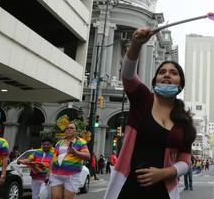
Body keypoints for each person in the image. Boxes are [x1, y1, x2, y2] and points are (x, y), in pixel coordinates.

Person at [104, 27, 196, 199]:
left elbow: (185, 161)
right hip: (128, 187)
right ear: (154, 82)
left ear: (181, 84)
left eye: (173, 73)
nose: (167, 75)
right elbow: (128, 75)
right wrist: (137, 44)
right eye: (162, 72)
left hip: (163, 191)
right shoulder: (143, 99)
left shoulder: (185, 123)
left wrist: (163, 173)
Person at [50, 121, 90, 199]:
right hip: (56, 175)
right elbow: (53, 158)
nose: (68, 130)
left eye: (71, 128)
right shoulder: (59, 143)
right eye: (67, 128)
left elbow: (88, 156)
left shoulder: (81, 142)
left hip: (71, 175)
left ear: (76, 131)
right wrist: (49, 173)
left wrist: (76, 153)